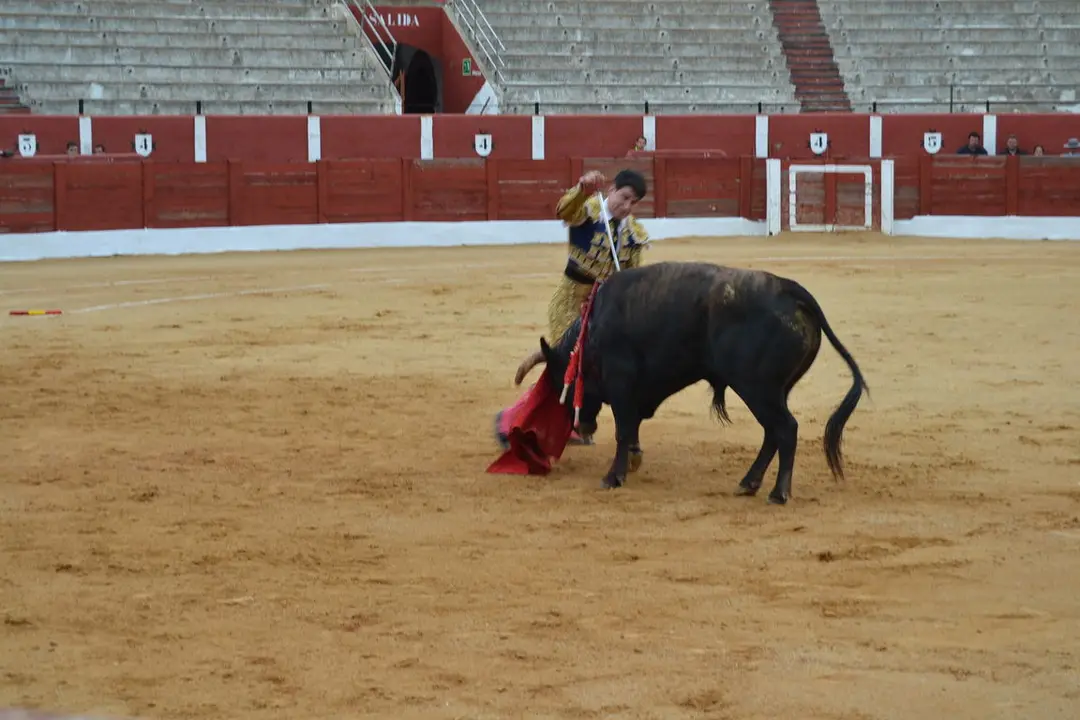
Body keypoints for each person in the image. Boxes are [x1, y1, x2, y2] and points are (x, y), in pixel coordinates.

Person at [493, 168, 650, 448]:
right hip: (569, 302)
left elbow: (631, 279)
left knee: (592, 368)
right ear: (612, 190)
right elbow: (564, 211)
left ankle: (574, 423)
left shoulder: (633, 233)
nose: (626, 206)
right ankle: (514, 421)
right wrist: (581, 190)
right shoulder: (589, 209)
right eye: (624, 197)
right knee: (566, 365)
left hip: (602, 308)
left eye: (633, 202)